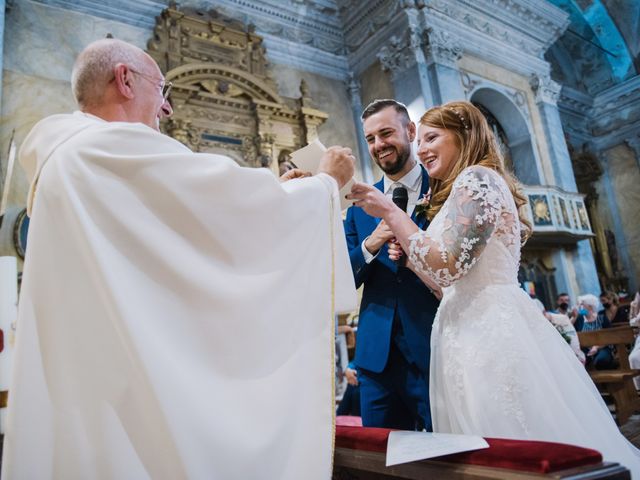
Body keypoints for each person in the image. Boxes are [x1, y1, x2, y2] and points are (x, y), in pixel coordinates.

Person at [2, 39, 357, 480]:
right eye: (161, 88)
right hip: (132, 388)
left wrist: (283, 193)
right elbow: (227, 211)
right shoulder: (109, 148)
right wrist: (323, 184)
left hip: (97, 382)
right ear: (125, 80)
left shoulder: (65, 158)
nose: (166, 109)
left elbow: (185, 236)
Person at [348, 100, 640, 474]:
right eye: (370, 138)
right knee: (465, 451)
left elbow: (450, 266)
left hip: (479, 325)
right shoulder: (408, 194)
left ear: (463, 135)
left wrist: (394, 216)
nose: (422, 148)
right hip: (435, 335)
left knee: (504, 442)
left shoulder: (466, 181)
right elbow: (438, 278)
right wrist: (392, 249)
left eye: (430, 137)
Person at [343, 99, 440, 431]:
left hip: (435, 346)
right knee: (380, 462)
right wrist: (375, 239)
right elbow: (346, 275)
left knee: (447, 456)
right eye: (370, 138)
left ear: (410, 131)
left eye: (386, 133)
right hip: (376, 359)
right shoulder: (359, 205)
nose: (378, 145)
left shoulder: (441, 189)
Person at [577, 293, 615, 369]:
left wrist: (596, 347)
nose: (580, 307)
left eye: (582, 305)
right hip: (586, 349)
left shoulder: (602, 318)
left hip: (603, 347)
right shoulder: (580, 320)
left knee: (600, 361)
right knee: (577, 362)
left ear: (590, 306)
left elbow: (609, 336)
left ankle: (606, 380)